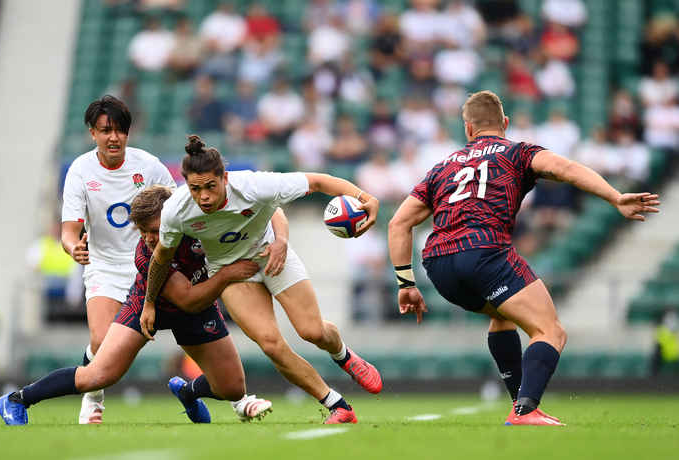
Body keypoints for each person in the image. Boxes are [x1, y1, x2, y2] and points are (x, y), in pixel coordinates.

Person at [387, 90, 661, 426]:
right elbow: (566, 167)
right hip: (485, 253)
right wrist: (615, 197)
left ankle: (520, 403)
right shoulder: (517, 152)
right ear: (505, 123)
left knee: (502, 317)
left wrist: (405, 284)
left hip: (439, 265)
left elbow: (398, 223)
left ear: (468, 129)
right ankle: (527, 410)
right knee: (550, 331)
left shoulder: (442, 166)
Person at [143, 135, 384, 425]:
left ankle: (343, 355)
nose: (204, 196)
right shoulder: (177, 210)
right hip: (230, 271)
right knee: (271, 344)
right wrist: (148, 303)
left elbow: (319, 181)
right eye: (196, 188)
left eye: (210, 186)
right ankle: (337, 405)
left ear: (225, 178)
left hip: (272, 255)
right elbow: (160, 259)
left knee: (312, 331)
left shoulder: (252, 185)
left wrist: (365, 198)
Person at [0, 185, 275, 425]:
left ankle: (188, 392)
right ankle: (17, 399)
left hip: (196, 305)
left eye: (154, 230)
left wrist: (277, 241)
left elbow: (264, 212)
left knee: (232, 387)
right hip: (147, 307)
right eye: (142, 232)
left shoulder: (202, 227)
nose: (149, 239)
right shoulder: (145, 256)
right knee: (97, 375)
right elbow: (188, 299)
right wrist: (228, 274)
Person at [60, 95, 177, 424]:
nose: (114, 137)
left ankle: (218, 394)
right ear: (92, 133)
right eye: (105, 130)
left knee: (191, 325)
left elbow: (176, 208)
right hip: (105, 265)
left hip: (150, 263)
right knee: (101, 340)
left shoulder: (149, 165)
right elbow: (69, 230)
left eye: (120, 130)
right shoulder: (80, 171)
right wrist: (73, 248)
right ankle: (93, 397)